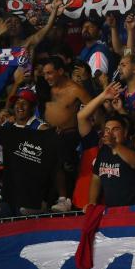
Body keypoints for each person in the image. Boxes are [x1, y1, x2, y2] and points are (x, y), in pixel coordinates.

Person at [42, 56, 92, 212]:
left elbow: (94, 112)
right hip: (50, 134)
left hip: (72, 135)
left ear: (61, 71)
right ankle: (40, 201)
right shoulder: (48, 89)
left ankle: (65, 200)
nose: (46, 77)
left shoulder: (76, 90)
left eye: (50, 73)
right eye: (45, 74)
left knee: (59, 156)